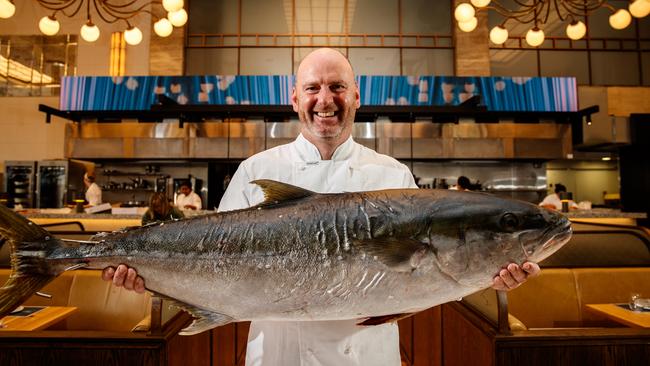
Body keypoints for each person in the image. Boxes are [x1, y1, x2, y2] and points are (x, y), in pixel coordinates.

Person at [102, 48, 540, 366]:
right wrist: (147, 276)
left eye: (336, 87)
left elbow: (434, 275)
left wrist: (492, 273)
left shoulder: (394, 176)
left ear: (356, 97)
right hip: (278, 357)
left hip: (367, 360)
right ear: (295, 99)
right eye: (312, 88)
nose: (324, 100)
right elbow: (210, 263)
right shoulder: (257, 170)